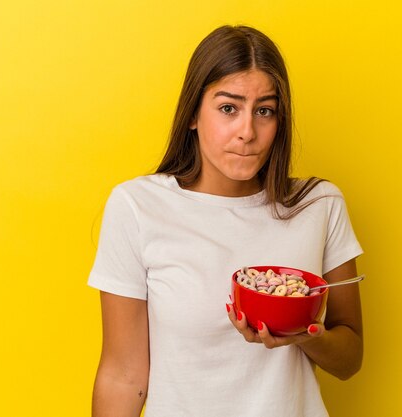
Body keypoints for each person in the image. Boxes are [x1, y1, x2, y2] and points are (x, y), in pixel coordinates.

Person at [88, 25, 364, 417]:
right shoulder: (138, 206)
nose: (247, 132)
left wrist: (301, 332)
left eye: (264, 111)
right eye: (228, 108)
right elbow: (123, 374)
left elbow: (349, 360)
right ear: (193, 115)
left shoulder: (318, 205)